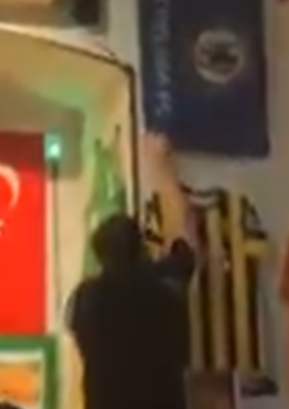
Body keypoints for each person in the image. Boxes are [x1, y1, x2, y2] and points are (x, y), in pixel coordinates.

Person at [68, 133, 199, 409]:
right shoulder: (163, 285)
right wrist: (162, 167)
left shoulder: (85, 299)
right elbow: (186, 233)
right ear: (141, 248)